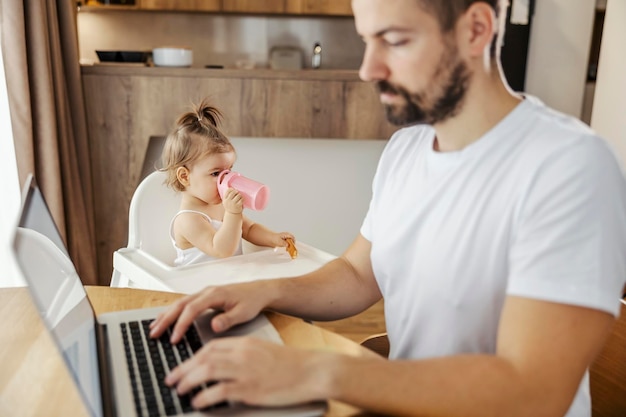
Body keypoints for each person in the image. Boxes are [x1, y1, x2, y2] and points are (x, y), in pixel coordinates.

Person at [150, 1, 626, 415]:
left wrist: (317, 372)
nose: (368, 68)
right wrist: (262, 290)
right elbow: (358, 276)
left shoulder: (569, 167)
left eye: (393, 40)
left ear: (476, 30)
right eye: (365, 40)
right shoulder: (405, 151)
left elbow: (532, 392)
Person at [160, 99, 295, 266]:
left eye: (228, 170)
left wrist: (273, 238)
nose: (226, 180)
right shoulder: (188, 219)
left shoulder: (223, 205)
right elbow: (221, 250)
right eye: (216, 173)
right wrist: (233, 214)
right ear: (185, 177)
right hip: (197, 286)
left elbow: (249, 229)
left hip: (228, 282)